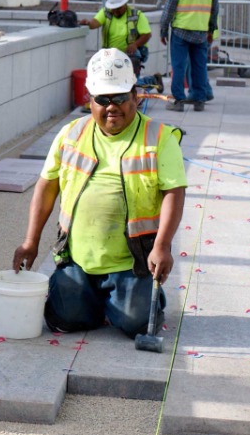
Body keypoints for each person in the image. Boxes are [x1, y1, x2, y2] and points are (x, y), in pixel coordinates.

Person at [12, 48, 187, 337]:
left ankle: (136, 296)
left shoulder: (160, 137)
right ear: (88, 99)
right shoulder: (71, 134)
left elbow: (174, 192)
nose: (111, 107)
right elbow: (47, 186)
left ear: (135, 95)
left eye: (119, 97)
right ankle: (96, 300)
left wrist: (163, 245)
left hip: (131, 262)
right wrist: (31, 241)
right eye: (102, 99)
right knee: (63, 320)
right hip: (80, 261)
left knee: (136, 322)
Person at [160, 0, 219, 112]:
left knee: (179, 66)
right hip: (201, 32)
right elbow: (214, 10)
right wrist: (211, 30)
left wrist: (163, 30)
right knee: (199, 66)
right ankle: (199, 100)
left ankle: (178, 101)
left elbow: (169, 9)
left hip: (181, 31)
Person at [80, 0, 164, 93]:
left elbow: (147, 34)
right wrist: (88, 23)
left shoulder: (136, 16)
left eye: (118, 8)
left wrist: (135, 45)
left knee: (131, 85)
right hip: (111, 54)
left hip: (132, 53)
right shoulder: (106, 13)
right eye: (113, 8)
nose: (115, 11)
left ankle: (153, 81)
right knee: (114, 81)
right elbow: (95, 23)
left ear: (125, 4)